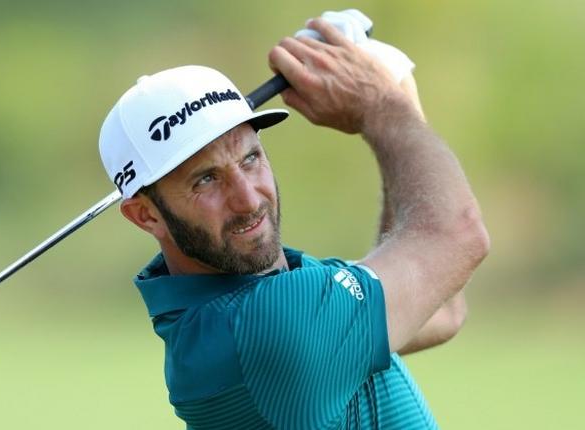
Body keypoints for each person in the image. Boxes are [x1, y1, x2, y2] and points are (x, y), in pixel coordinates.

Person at [98, 15, 489, 430]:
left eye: (250, 158)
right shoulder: (267, 325)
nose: (248, 199)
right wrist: (379, 104)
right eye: (207, 180)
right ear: (146, 213)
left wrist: (393, 91)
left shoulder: (225, 317)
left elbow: (439, 308)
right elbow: (457, 234)